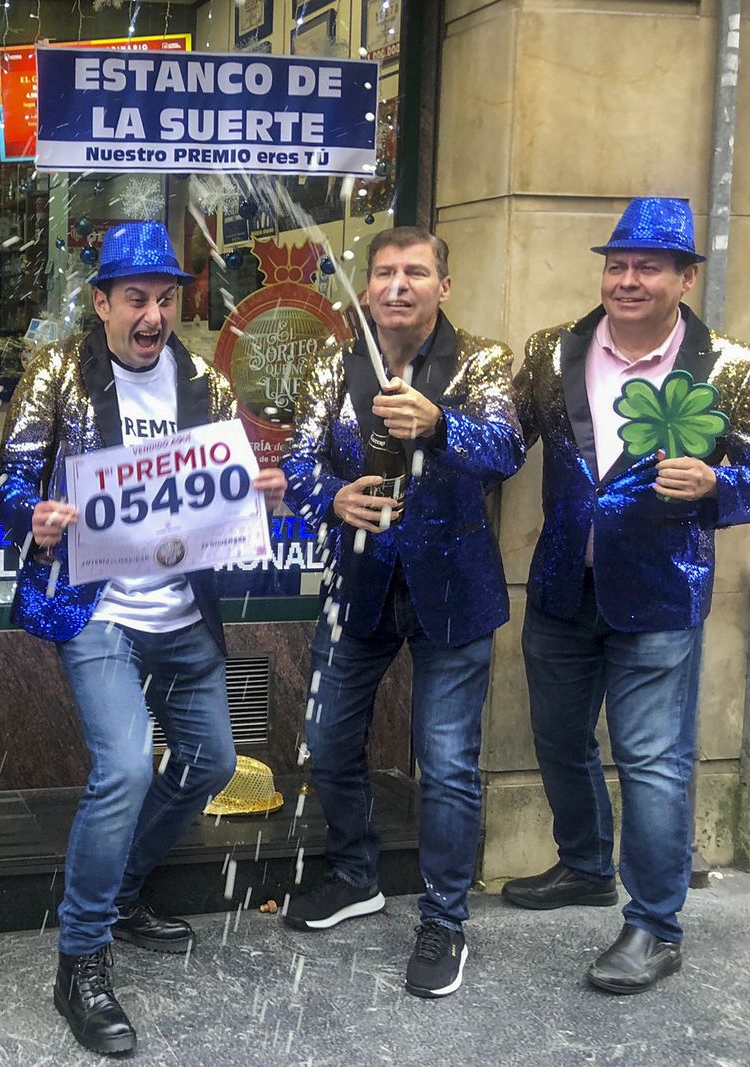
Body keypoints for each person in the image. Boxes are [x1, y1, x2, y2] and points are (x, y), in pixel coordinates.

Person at [0, 221, 283, 1056]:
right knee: (122, 766)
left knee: (213, 764)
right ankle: (81, 957)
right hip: (101, 610)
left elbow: (235, 495)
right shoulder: (59, 374)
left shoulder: (205, 382)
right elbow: (6, 480)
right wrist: (33, 515)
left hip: (184, 611)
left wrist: (259, 488)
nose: (152, 315)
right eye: (135, 299)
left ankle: (120, 889)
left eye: (164, 298)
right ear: (101, 304)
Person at [505, 197, 750, 993]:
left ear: (685, 278)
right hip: (561, 584)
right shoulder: (553, 351)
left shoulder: (735, 369)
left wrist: (720, 483)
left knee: (652, 760)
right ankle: (585, 862)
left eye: (647, 266)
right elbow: (505, 434)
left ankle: (654, 924)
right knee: (557, 737)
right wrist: (435, 432)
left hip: (658, 596)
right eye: (616, 264)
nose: (626, 279)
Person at [280, 226, 525, 998]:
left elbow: (510, 449)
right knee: (327, 736)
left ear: (443, 287)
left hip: (453, 590)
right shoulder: (335, 360)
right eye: (383, 272)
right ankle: (357, 873)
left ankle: (445, 918)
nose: (395, 286)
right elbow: (297, 458)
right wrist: (332, 495)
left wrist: (442, 425)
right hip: (359, 584)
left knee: (448, 763)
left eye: (414, 272)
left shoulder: (483, 359)